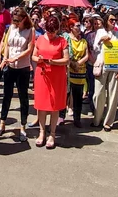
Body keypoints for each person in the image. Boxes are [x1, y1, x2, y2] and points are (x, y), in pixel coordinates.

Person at [0, 7, 34, 141]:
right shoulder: (11, 28)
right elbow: (7, 45)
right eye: (14, 20)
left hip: (22, 67)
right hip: (10, 66)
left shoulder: (30, 30)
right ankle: (2, 123)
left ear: (24, 19)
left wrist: (16, 58)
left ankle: (23, 126)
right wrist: (5, 58)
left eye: (17, 20)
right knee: (7, 95)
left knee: (23, 97)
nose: (15, 22)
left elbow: (29, 49)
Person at [32, 15, 69, 149]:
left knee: (55, 106)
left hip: (57, 76)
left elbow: (66, 60)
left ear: (57, 30)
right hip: (42, 75)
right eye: (48, 31)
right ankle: (41, 133)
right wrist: (39, 59)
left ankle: (52, 133)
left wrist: (53, 62)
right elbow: (33, 56)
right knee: (41, 105)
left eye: (53, 32)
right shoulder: (40, 39)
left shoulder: (62, 41)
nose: (50, 34)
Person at [92, 14, 118, 131]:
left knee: (113, 95)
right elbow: (94, 48)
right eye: (111, 20)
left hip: (115, 67)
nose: (114, 21)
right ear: (106, 20)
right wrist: (101, 40)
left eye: (115, 20)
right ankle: (97, 119)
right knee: (98, 94)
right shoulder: (100, 32)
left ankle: (108, 122)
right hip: (102, 66)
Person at [67, 16, 88, 127]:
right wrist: (72, 63)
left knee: (78, 96)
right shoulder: (67, 39)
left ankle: (77, 118)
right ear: (71, 27)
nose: (80, 28)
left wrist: (77, 64)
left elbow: (87, 55)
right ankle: (61, 116)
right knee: (66, 94)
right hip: (68, 70)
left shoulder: (83, 40)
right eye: (77, 26)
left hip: (80, 71)